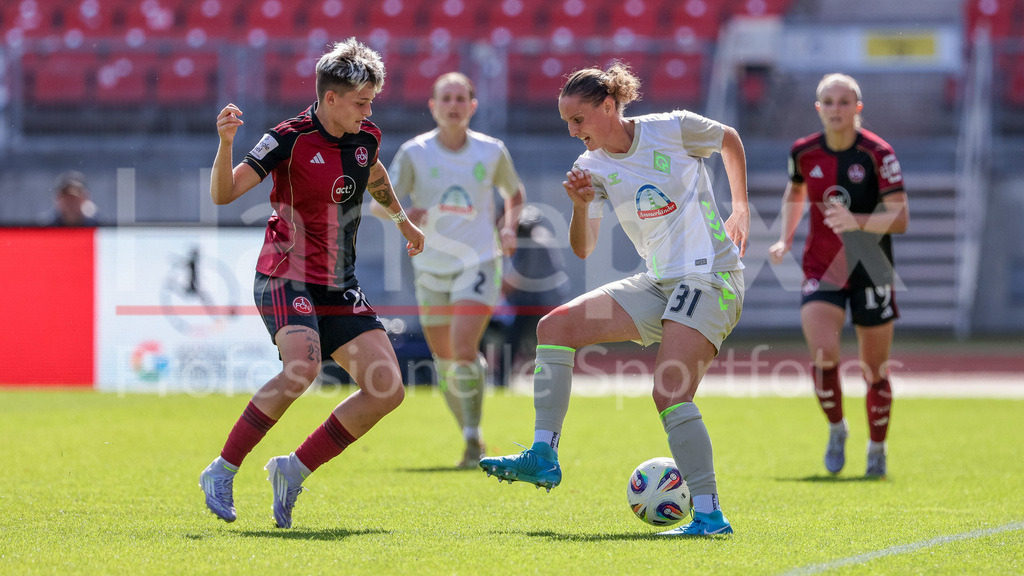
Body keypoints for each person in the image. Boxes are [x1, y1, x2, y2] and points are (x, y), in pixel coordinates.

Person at [479, 62, 750, 537]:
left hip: (712, 276)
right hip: (661, 280)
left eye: (578, 119)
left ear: (609, 107)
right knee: (553, 328)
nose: (572, 131)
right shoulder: (589, 167)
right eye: (566, 122)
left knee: (669, 391)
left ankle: (709, 516)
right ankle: (544, 454)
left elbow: (728, 138)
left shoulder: (671, 128)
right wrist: (582, 206)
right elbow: (584, 247)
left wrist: (741, 206)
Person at [198, 37, 425, 529]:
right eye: (361, 103)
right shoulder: (287, 137)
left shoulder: (365, 137)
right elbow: (223, 193)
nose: (368, 112)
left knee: (387, 388)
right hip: (285, 275)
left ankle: (293, 469)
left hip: (339, 283)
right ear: (331, 99)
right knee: (301, 367)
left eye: (371, 103)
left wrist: (403, 221)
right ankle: (222, 469)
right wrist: (224, 143)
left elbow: (375, 171)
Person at [375, 71, 526, 469]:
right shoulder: (414, 152)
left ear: (473, 106)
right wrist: (403, 215)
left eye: (461, 98)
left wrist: (508, 226)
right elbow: (379, 201)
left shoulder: (491, 151)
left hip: (478, 261)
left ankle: (474, 436)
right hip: (429, 267)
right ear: (433, 106)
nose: (454, 105)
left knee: (461, 349)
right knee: (445, 361)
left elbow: (514, 192)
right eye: (447, 98)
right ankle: (469, 435)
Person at [768, 73, 908, 479]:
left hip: (871, 267)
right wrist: (784, 238)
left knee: (873, 369)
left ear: (857, 108)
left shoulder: (879, 154)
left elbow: (900, 218)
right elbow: (795, 193)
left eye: (844, 102)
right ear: (818, 108)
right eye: (828, 102)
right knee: (823, 354)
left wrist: (856, 220)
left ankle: (877, 447)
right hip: (821, 267)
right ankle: (836, 428)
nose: (835, 109)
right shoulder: (804, 152)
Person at [493, 205, 570, 387]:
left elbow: (514, 282)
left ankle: (501, 380)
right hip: (539, 301)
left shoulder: (532, 241)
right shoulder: (534, 236)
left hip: (540, 304)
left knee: (512, 337)